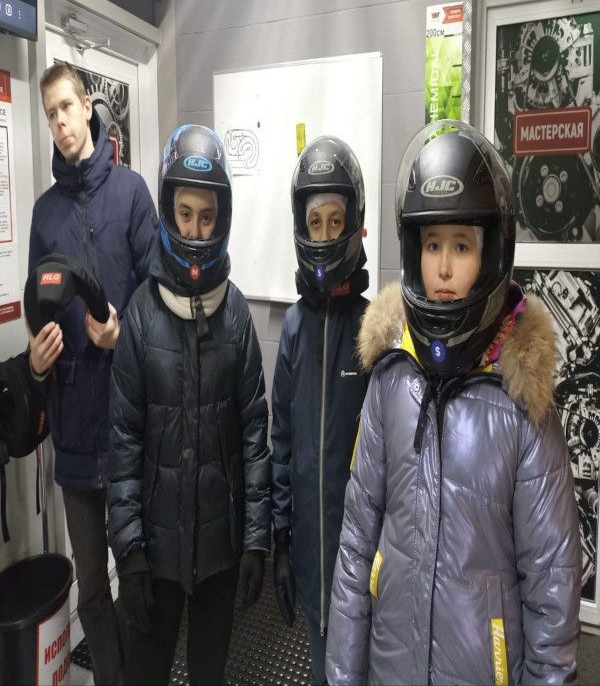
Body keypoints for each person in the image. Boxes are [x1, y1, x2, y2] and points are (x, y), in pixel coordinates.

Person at [326, 120, 582, 685]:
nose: (443, 268)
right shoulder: (390, 377)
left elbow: (553, 586)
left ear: (490, 254)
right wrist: (343, 673)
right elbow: (356, 544)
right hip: (390, 666)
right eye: (432, 245)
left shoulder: (522, 400)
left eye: (461, 246)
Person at [107, 124, 271, 686]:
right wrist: (128, 551)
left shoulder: (237, 315)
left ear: (221, 219)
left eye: (206, 216)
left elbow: (254, 435)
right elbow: (123, 443)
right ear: (168, 212)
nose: (195, 229)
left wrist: (256, 541)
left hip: (219, 552)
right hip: (152, 553)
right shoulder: (139, 315)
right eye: (184, 214)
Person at [27, 62, 158, 685]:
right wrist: (36, 359)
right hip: (74, 432)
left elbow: (158, 296)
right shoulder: (44, 214)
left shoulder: (131, 193)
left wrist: (121, 330)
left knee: (138, 580)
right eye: (49, 113)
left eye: (65, 107)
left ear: (87, 107)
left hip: (130, 427)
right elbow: (37, 307)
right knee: (92, 592)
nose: (59, 122)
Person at [271, 136, 370, 686]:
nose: (326, 234)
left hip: (362, 563)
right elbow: (282, 439)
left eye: (336, 222)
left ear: (353, 223)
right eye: (316, 223)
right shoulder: (292, 327)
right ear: (302, 228)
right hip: (309, 553)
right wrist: (281, 537)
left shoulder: (374, 329)